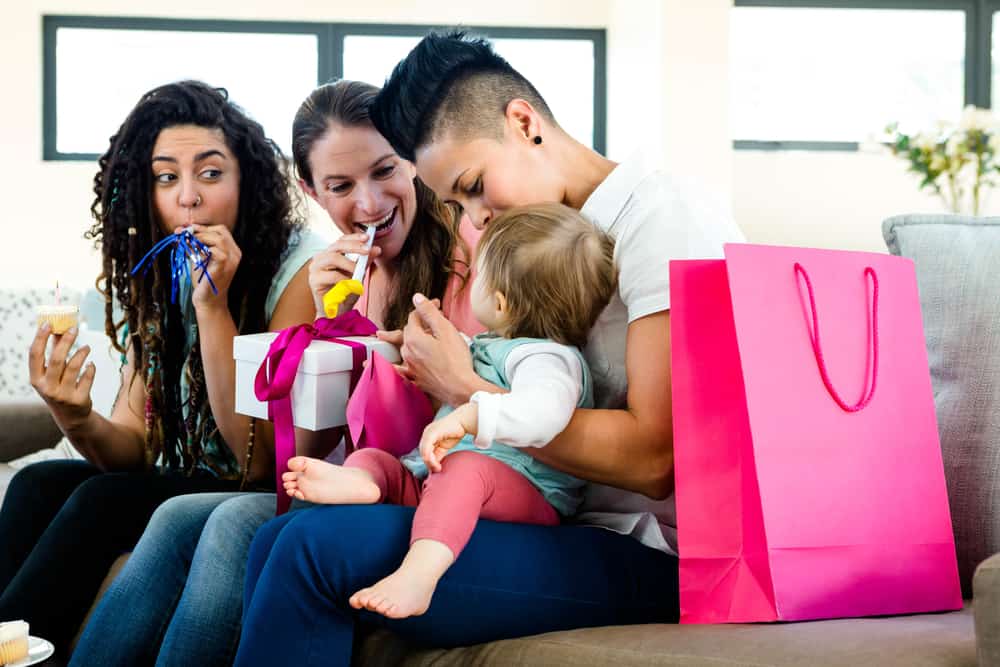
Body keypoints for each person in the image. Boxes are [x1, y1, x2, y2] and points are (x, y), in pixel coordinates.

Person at [234, 30, 746, 666]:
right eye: (456, 202)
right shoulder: (554, 235)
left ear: (524, 123)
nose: (475, 220)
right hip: (567, 523)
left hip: (655, 553)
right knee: (276, 536)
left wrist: (467, 389)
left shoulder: (662, 220)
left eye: (475, 185)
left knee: (309, 548)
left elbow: (654, 460)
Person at [69, 79, 482, 667]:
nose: (367, 204)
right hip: (360, 479)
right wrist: (326, 324)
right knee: (174, 514)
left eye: (385, 170)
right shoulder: (345, 275)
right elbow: (308, 446)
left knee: (236, 521)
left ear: (414, 161)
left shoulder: (470, 258)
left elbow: (483, 404)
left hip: (434, 492)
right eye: (341, 186)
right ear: (312, 190)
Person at [0, 80, 323, 658]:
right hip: (183, 473)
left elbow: (255, 458)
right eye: (167, 177)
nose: (189, 197)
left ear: (245, 182)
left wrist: (214, 307)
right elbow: (133, 449)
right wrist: (74, 417)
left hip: (244, 482)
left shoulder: (297, 269)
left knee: (99, 504)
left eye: (210, 173)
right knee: (35, 482)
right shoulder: (153, 276)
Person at [282, 202, 616, 619]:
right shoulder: (497, 344)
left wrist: (472, 414)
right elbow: (463, 354)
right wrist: (412, 341)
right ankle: (364, 482)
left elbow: (545, 414)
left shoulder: (548, 360)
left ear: (499, 301)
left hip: (528, 494)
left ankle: (420, 572)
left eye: (477, 273)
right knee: (379, 460)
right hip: (446, 482)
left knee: (465, 468)